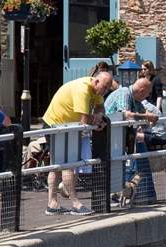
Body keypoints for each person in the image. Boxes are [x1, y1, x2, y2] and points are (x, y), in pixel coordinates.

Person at [41, 70, 114, 216]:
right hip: (56, 125)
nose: (105, 91)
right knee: (66, 164)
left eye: (108, 89)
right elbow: (84, 121)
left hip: (67, 127)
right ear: (97, 81)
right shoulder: (83, 90)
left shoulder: (96, 91)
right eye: (105, 87)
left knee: (59, 165)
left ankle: (52, 204)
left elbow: (100, 107)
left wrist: (99, 115)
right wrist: (98, 124)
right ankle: (75, 203)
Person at [104, 77, 157, 206]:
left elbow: (142, 112)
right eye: (147, 93)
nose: (147, 97)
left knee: (122, 164)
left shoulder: (135, 99)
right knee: (115, 164)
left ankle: (119, 194)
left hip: (120, 137)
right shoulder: (124, 93)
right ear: (142, 90)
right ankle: (113, 196)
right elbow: (125, 114)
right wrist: (147, 117)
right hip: (109, 135)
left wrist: (149, 117)